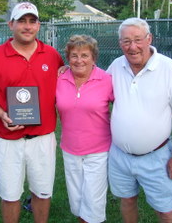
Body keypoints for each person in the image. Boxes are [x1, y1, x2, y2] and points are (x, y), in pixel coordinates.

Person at [0, 2, 64, 223]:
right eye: (21, 21)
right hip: (7, 139)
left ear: (38, 25)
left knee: (43, 192)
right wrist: (2, 113)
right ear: (10, 24)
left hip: (43, 137)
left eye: (32, 21)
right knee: (9, 195)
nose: (27, 26)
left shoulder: (52, 55)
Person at [106, 17, 172, 223]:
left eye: (137, 39)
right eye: (126, 41)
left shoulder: (169, 69)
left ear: (149, 39)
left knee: (164, 210)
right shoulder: (116, 66)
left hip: (157, 158)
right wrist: (67, 72)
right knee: (127, 201)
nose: (132, 46)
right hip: (119, 156)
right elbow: (94, 87)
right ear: (120, 44)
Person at [56, 35, 114, 223]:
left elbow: (126, 107)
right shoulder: (59, 79)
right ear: (68, 58)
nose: (79, 60)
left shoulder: (106, 80)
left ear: (94, 58)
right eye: (74, 55)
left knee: (93, 202)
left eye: (84, 55)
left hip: (98, 151)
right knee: (77, 200)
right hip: (70, 149)